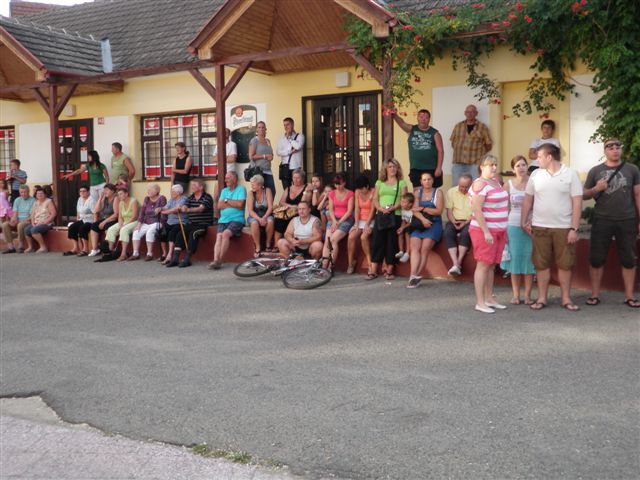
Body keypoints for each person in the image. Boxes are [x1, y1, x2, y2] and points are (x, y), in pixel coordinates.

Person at [521, 143, 583, 311]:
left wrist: (574, 228)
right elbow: (528, 199)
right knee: (541, 264)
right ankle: (542, 298)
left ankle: (566, 299)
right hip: (540, 227)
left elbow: (577, 203)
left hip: (564, 227)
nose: (537, 160)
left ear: (549, 157)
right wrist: (523, 220)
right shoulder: (536, 174)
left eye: (539, 156)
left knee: (565, 264)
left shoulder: (571, 174)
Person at [583, 139, 640, 308]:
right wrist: (596, 189)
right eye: (610, 147)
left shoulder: (632, 169)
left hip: (627, 219)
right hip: (602, 219)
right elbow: (584, 194)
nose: (615, 150)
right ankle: (594, 295)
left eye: (617, 147)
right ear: (605, 151)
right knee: (596, 258)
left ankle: (629, 296)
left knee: (628, 258)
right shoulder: (595, 171)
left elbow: (638, 195)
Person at [468, 155, 509, 313]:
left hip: (499, 230)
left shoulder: (496, 182)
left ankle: (489, 298)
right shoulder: (480, 184)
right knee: (483, 265)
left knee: (491, 265)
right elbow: (477, 210)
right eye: (490, 165)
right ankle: (480, 302)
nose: (494, 167)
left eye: (495, 164)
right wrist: (486, 232)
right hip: (484, 231)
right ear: (482, 167)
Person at [500, 156, 536, 304]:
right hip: (513, 225)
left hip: (531, 226)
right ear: (513, 169)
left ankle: (527, 296)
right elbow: (503, 208)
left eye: (523, 165)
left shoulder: (534, 183)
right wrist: (503, 228)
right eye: (518, 166)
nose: (521, 168)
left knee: (529, 260)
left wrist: (532, 223)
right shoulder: (508, 185)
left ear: (527, 167)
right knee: (514, 260)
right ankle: (516, 295)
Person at [368, 158, 408, 280]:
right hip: (381, 215)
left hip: (395, 215)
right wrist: (381, 208)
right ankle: (373, 270)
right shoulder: (379, 182)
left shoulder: (401, 183)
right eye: (390, 166)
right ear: (385, 169)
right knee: (377, 242)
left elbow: (404, 200)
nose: (392, 169)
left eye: (394, 166)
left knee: (392, 242)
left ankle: (390, 270)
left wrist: (393, 207)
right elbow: (375, 199)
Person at [407, 172, 444, 288]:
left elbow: (438, 211)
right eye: (424, 180)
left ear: (432, 180)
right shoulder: (417, 193)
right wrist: (423, 220)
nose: (427, 182)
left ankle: (416, 276)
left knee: (425, 248)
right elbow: (414, 210)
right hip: (420, 223)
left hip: (434, 223)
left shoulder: (438, 192)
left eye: (429, 179)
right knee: (414, 247)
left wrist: (423, 208)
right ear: (421, 182)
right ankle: (413, 275)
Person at [167, 179, 214, 268]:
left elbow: (200, 209)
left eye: (194, 185)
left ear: (201, 187)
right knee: (180, 233)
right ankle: (175, 258)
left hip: (203, 224)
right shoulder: (190, 197)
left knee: (193, 233)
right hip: (192, 223)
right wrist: (183, 208)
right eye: (192, 185)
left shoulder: (207, 197)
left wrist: (188, 210)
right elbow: (185, 206)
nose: (192, 187)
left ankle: (187, 259)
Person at [393, 109, 444, 189]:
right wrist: (394, 114)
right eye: (421, 117)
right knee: (417, 192)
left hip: (432, 168)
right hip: (416, 168)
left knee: (432, 192)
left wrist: (439, 168)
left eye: (426, 117)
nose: (423, 119)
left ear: (429, 119)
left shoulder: (435, 133)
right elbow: (401, 123)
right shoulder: (411, 129)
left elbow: (440, 151)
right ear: (417, 118)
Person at [209, 172, 246, 270]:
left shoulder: (241, 189)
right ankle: (215, 260)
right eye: (225, 178)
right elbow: (219, 205)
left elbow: (240, 205)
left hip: (237, 219)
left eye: (228, 178)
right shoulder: (224, 191)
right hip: (223, 220)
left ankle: (220, 260)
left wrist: (226, 201)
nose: (226, 180)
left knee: (225, 234)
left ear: (235, 179)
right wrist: (233, 203)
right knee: (219, 237)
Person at [450, 104, 492, 186]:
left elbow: (488, 144)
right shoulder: (458, 126)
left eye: (472, 112)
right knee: (456, 186)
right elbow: (453, 142)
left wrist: (479, 154)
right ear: (465, 113)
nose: (470, 114)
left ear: (476, 113)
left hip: (475, 164)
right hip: (458, 163)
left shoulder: (482, 127)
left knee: (475, 186)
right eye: (468, 112)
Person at [322, 174, 355, 270]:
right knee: (327, 240)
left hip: (345, 220)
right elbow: (331, 210)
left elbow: (349, 211)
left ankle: (331, 266)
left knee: (333, 239)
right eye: (336, 184)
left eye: (339, 184)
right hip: (333, 219)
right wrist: (334, 221)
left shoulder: (350, 194)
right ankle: (324, 266)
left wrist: (339, 222)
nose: (337, 186)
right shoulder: (332, 193)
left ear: (344, 183)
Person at [444, 173, 472, 276]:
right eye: (461, 186)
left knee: (465, 233)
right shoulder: (451, 192)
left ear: (471, 184)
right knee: (448, 232)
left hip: (469, 221)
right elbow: (449, 211)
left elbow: (475, 213)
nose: (464, 189)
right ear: (458, 183)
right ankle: (455, 263)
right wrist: (453, 221)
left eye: (466, 187)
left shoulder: (475, 193)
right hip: (455, 220)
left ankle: (458, 263)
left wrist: (465, 223)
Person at [130, 184, 167, 261]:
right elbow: (142, 212)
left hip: (158, 221)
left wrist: (162, 222)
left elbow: (165, 209)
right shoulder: (146, 199)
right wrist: (139, 224)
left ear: (156, 191)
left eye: (150, 190)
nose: (148, 191)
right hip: (147, 222)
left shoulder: (162, 198)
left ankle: (149, 254)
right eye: (148, 190)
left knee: (149, 232)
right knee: (136, 231)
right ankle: (135, 253)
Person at [347, 174, 374, 274]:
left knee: (363, 237)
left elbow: (373, 210)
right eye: (359, 188)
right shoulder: (357, 191)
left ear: (367, 186)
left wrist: (367, 224)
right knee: (351, 237)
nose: (361, 190)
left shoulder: (373, 191)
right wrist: (356, 224)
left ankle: (370, 264)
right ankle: (350, 263)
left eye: (363, 188)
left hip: (371, 219)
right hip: (360, 219)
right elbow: (357, 209)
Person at [105, 186, 139, 262]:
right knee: (111, 229)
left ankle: (123, 254)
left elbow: (134, 216)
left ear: (126, 194)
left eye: (121, 194)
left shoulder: (133, 201)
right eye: (118, 194)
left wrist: (124, 225)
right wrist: (120, 224)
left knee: (124, 229)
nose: (119, 196)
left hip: (134, 222)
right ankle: (110, 251)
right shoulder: (121, 203)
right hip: (124, 222)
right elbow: (120, 217)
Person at [157, 184, 188, 265]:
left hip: (180, 222)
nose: (171, 193)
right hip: (170, 222)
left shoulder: (184, 199)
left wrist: (165, 212)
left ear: (178, 192)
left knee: (172, 233)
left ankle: (169, 255)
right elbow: (166, 207)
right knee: (162, 233)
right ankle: (164, 254)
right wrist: (160, 208)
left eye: (173, 191)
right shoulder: (172, 200)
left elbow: (175, 209)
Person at [273, 169, 307, 243]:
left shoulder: (306, 188)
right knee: (279, 218)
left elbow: (305, 203)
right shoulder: (288, 188)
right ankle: (276, 244)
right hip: (288, 211)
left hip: (299, 212)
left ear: (303, 178)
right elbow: (281, 202)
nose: (295, 180)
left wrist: (296, 207)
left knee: (293, 218)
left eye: (298, 178)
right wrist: (291, 206)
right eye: (294, 177)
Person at [246, 174, 275, 255]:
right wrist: (259, 219)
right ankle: (258, 247)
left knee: (270, 221)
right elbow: (250, 210)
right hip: (254, 215)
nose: (252, 186)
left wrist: (264, 217)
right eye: (251, 184)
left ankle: (268, 244)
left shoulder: (267, 191)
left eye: (253, 185)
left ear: (260, 185)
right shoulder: (250, 193)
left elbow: (270, 207)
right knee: (254, 223)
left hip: (266, 214)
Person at [1, 185, 34, 254]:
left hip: (28, 220)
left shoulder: (33, 200)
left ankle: (21, 245)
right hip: (18, 220)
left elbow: (32, 215)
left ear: (28, 192)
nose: (23, 194)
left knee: (20, 225)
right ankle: (11, 247)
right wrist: (13, 220)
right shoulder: (17, 200)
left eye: (25, 192)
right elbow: (15, 213)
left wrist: (21, 221)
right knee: (4, 225)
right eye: (21, 192)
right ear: (19, 192)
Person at [88, 184, 119, 257]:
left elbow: (116, 214)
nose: (105, 192)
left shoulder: (116, 198)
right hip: (106, 219)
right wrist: (100, 198)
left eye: (107, 190)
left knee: (106, 226)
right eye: (104, 190)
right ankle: (95, 249)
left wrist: (104, 222)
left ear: (113, 191)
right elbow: (95, 210)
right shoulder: (105, 199)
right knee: (94, 226)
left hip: (114, 219)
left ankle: (108, 249)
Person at [64, 185, 95, 256]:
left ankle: (85, 249)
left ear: (88, 192)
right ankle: (75, 248)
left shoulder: (92, 200)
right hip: (82, 219)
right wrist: (77, 219)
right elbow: (78, 211)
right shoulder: (80, 199)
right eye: (80, 191)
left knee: (82, 228)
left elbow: (95, 212)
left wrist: (95, 222)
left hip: (90, 220)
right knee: (72, 227)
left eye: (84, 191)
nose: (82, 193)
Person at [24, 187, 57, 253]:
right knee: (26, 230)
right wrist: (33, 223)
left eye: (41, 193)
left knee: (34, 230)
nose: (39, 195)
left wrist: (45, 222)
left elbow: (53, 214)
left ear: (45, 194)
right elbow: (32, 214)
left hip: (47, 223)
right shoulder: (36, 202)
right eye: (38, 193)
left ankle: (43, 247)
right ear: (36, 195)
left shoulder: (48, 201)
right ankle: (31, 247)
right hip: (37, 222)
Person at [276, 117, 305, 190]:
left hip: (296, 167)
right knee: (286, 190)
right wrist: (289, 151)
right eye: (284, 125)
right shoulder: (281, 139)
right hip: (285, 167)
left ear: (292, 125)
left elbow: (298, 146)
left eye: (288, 124)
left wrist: (290, 138)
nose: (286, 127)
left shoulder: (300, 136)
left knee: (297, 189)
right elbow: (278, 152)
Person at [248, 121, 275, 197]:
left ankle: (268, 204)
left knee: (272, 191)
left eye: (263, 127)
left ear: (266, 129)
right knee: (259, 192)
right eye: (259, 127)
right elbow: (251, 156)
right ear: (256, 129)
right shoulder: (254, 140)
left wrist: (271, 156)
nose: (261, 129)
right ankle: (260, 205)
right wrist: (264, 156)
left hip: (268, 170)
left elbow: (270, 153)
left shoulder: (268, 141)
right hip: (258, 171)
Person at [395, 193, 415, 264]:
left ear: (410, 204)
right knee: (400, 233)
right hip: (406, 225)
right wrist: (401, 228)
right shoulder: (403, 210)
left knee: (406, 232)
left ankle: (407, 253)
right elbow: (403, 220)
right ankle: (401, 251)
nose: (401, 203)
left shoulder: (412, 212)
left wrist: (403, 228)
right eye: (401, 201)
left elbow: (410, 223)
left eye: (404, 202)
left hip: (412, 225)